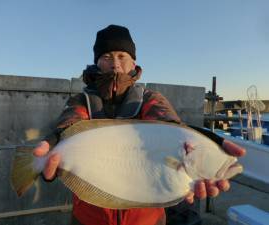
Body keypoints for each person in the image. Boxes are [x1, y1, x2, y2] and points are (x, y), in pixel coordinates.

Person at [33, 25, 246, 225]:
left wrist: (206, 139)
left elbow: (167, 125)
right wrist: (53, 146)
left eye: (121, 56)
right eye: (106, 56)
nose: (115, 63)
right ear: (97, 62)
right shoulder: (81, 101)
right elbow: (69, 126)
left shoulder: (149, 98)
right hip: (89, 218)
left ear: (133, 63)